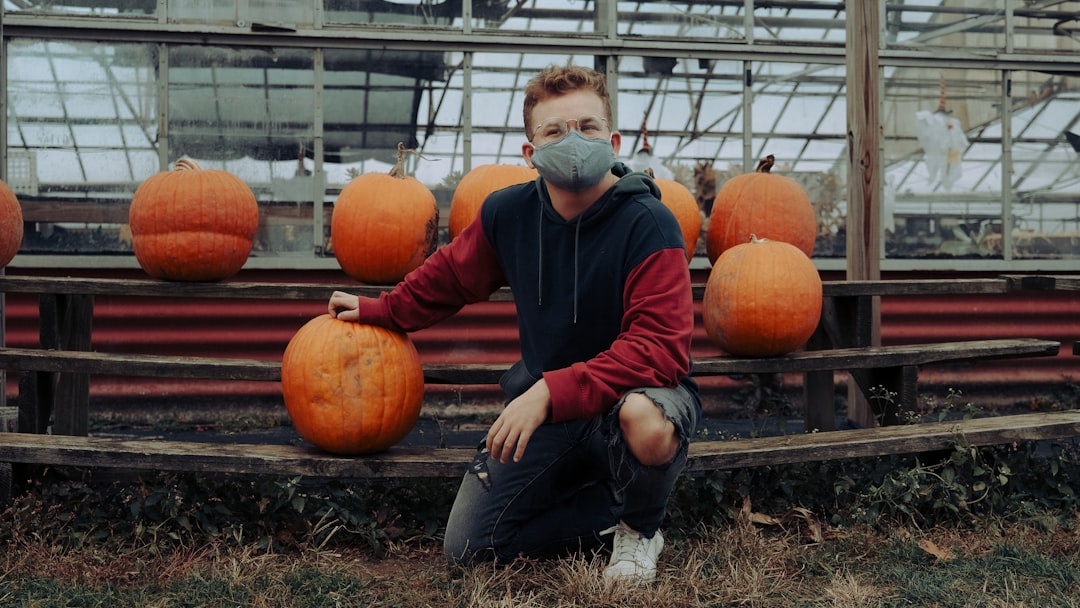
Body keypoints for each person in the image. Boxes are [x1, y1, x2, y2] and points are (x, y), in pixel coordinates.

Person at [328, 64, 700, 583]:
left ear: (612, 141)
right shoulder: (508, 213)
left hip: (631, 396)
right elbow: (450, 278)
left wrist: (547, 390)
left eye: (588, 127)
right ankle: (605, 512)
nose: (573, 140)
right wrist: (380, 310)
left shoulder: (650, 222)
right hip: (554, 413)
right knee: (470, 548)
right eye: (554, 131)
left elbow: (659, 349)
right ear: (531, 153)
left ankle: (640, 529)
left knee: (646, 418)